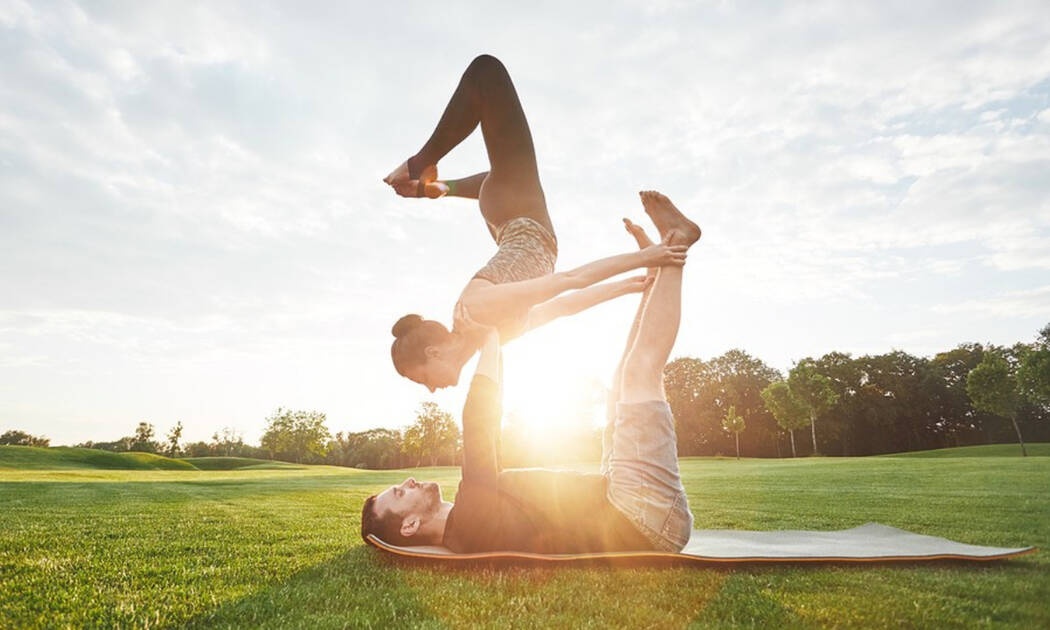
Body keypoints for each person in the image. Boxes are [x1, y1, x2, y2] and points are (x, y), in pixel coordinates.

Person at [361, 191, 701, 554]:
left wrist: (630, 285)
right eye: (400, 492)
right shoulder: (470, 523)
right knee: (639, 374)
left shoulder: (472, 517)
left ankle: (660, 270)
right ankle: (677, 242)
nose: (408, 482)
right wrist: (489, 334)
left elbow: (558, 306)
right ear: (411, 525)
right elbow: (479, 425)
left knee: (621, 383)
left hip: (624, 500)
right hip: (639, 515)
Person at [384, 54, 687, 393]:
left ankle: (418, 166)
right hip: (503, 211)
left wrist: (649, 256)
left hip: (519, 219)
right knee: (502, 171)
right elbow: (563, 307)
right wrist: (629, 285)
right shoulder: (491, 336)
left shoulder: (474, 310)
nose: (430, 390)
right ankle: (429, 186)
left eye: (422, 378)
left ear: (433, 352)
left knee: (486, 74)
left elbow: (569, 280)